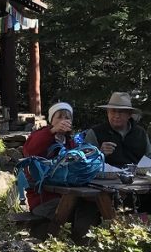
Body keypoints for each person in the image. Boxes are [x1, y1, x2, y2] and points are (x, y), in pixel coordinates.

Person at [22, 102, 100, 241]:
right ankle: (76, 242)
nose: (64, 120)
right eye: (59, 117)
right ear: (51, 120)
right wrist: (52, 131)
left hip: (67, 194)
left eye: (67, 117)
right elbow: (30, 150)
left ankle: (83, 243)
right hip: (43, 199)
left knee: (91, 205)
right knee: (75, 207)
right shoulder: (40, 135)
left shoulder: (70, 142)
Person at [83, 92, 151, 168]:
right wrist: (100, 154)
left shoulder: (141, 133)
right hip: (103, 179)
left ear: (129, 114)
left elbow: (150, 162)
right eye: (113, 111)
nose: (116, 116)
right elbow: (83, 164)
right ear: (108, 112)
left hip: (136, 178)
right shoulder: (95, 133)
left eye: (121, 112)